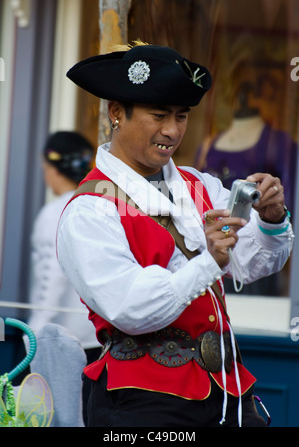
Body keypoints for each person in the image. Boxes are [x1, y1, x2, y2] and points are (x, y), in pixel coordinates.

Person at [56, 42, 294, 427]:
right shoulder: (89, 209)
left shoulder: (198, 184)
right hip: (142, 403)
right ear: (117, 113)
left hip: (227, 390)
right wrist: (208, 262)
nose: (172, 130)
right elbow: (131, 308)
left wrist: (271, 218)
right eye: (158, 115)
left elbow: (253, 263)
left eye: (181, 117)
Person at [27, 131, 101, 422]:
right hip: (104, 338)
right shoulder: (98, 205)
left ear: (51, 166)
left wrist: (32, 338)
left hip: (67, 346)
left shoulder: (54, 213)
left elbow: (50, 283)